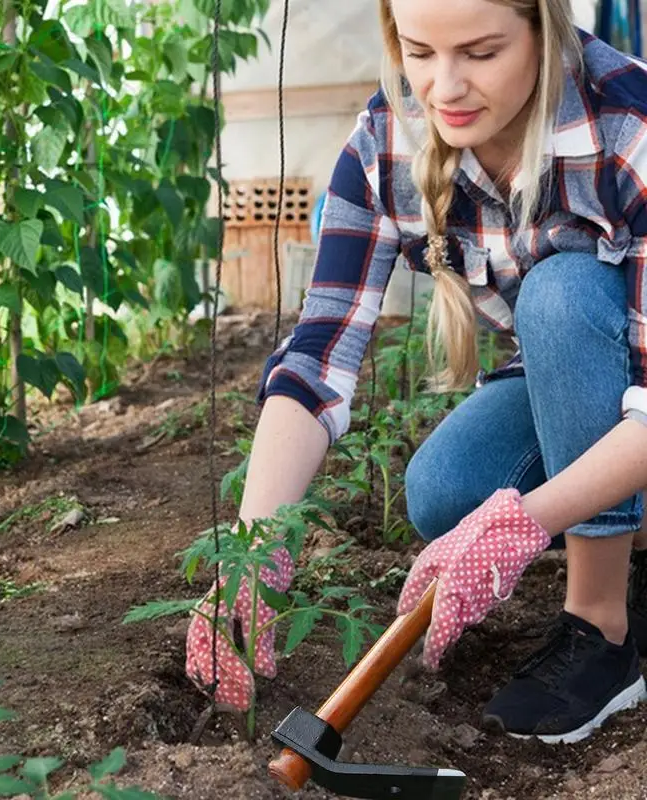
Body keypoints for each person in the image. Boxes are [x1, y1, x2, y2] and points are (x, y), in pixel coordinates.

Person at [186, 0, 647, 744]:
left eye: (481, 51)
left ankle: (602, 629)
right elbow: (318, 357)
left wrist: (524, 521)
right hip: (588, 382)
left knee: (565, 292)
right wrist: (254, 555)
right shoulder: (385, 143)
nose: (444, 87)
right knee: (445, 494)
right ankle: (632, 551)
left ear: (544, 27)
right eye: (420, 51)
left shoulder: (627, 124)